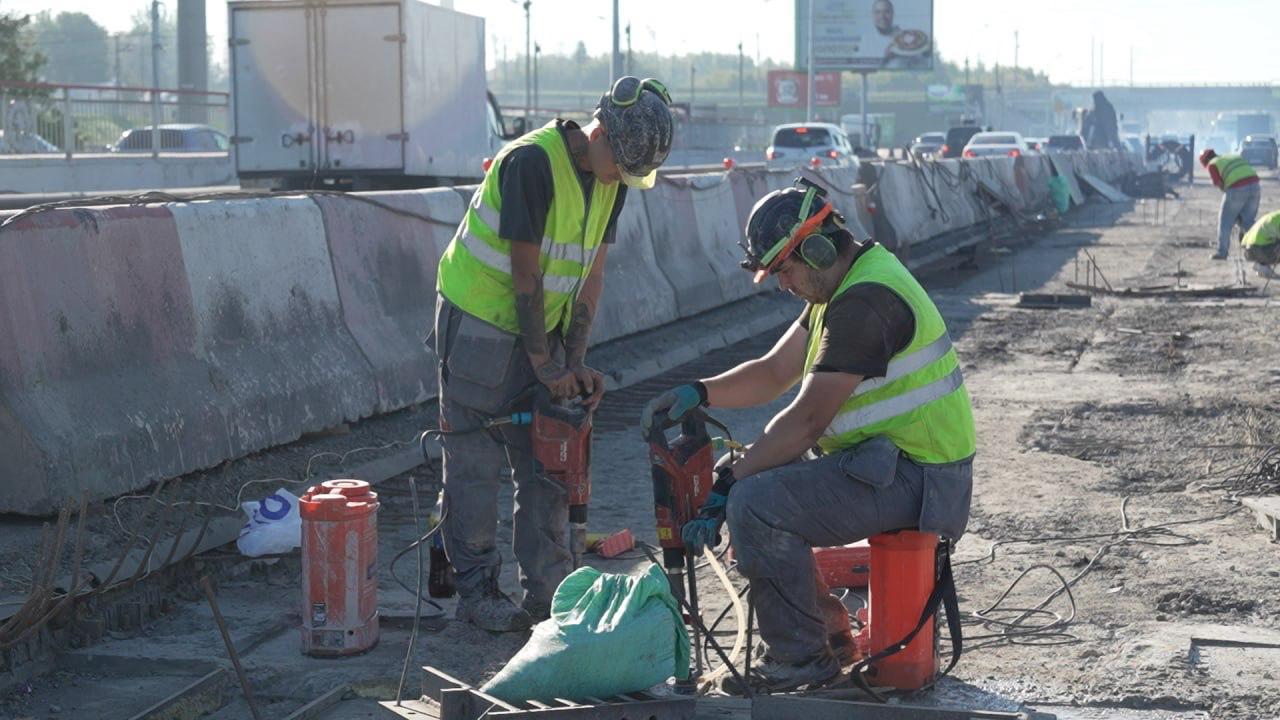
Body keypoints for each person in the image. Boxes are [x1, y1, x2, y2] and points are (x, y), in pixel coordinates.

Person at [640, 181, 975, 691]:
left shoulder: (865, 302)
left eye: (784, 270)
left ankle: (800, 660)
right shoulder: (842, 286)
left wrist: (730, 482)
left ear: (815, 249)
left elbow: (805, 422)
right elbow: (774, 372)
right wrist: (699, 391)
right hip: (893, 464)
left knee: (757, 504)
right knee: (761, 484)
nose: (782, 284)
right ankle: (829, 636)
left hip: (923, 480)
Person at [433, 76, 674, 632]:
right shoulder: (530, 164)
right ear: (600, 134)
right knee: (475, 464)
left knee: (549, 459)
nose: (622, 179)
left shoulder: (611, 178)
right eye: (620, 166)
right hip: (480, 327)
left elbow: (592, 273)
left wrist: (574, 359)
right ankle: (477, 594)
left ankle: (550, 595)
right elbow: (525, 272)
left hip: (541, 329)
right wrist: (547, 364)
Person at [1201, 148, 1261, 261]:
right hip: (1255, 186)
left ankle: (1222, 252)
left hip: (1237, 188)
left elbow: (1219, 184)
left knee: (1225, 222)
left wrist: (1232, 199)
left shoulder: (1212, 164)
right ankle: (1258, 249)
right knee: (1248, 222)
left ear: (1206, 160)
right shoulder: (1233, 157)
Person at [1242, 210, 1280, 278]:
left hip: (1248, 250)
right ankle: (1262, 265)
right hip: (1259, 249)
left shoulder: (1275, 215)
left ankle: (1262, 266)